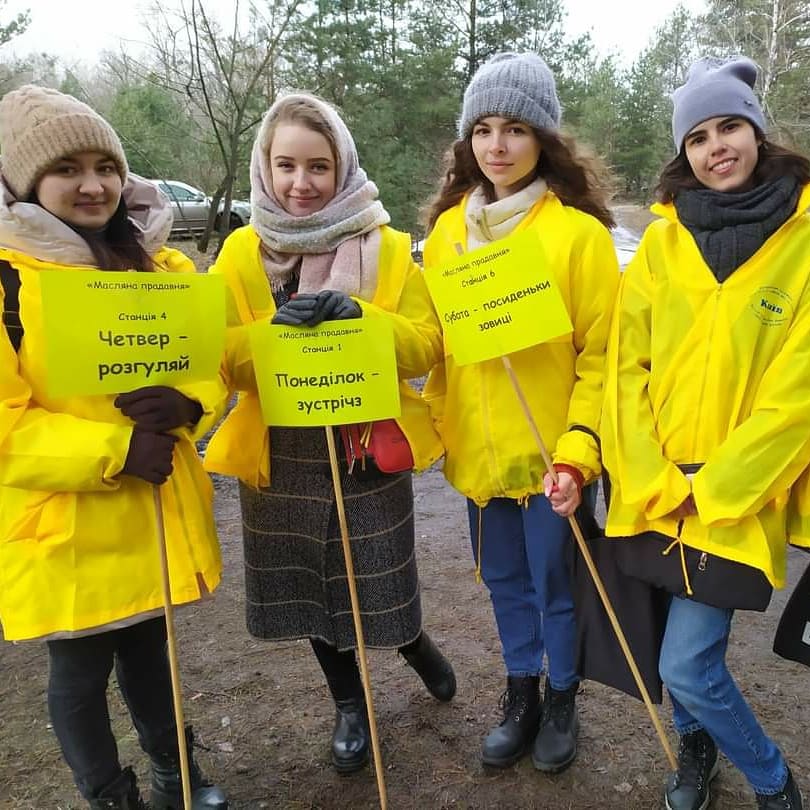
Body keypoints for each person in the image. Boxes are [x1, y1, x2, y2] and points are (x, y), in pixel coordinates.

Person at [203, 92, 456, 775]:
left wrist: (360, 321)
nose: (300, 182)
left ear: (341, 167)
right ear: (265, 166)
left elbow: (427, 346)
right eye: (286, 165)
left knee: (379, 580)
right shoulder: (239, 251)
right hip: (281, 452)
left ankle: (411, 643)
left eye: (318, 166)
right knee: (312, 590)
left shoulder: (390, 247)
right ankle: (350, 703)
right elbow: (219, 356)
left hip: (365, 444)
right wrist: (268, 339)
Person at [0, 86, 228, 810]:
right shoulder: (9, 281)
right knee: (79, 670)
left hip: (152, 511)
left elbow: (209, 362)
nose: (93, 184)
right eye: (68, 168)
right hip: (65, 522)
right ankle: (110, 797)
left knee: (151, 652)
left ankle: (177, 779)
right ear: (24, 180)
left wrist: (192, 404)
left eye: (105, 165)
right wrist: (115, 450)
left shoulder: (159, 268)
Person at [601, 56, 808, 810]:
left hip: (738, 492)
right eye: (699, 136)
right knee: (663, 643)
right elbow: (627, 369)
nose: (716, 145)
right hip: (657, 484)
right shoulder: (660, 243)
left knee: (688, 664)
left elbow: (799, 394)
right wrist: (652, 475)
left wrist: (715, 488)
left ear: (757, 130)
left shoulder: (805, 239)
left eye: (730, 126)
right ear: (683, 152)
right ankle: (695, 753)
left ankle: (772, 778)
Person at [422, 52, 619, 772]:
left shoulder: (578, 237)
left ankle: (563, 695)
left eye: (514, 129)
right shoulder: (446, 235)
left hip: (553, 458)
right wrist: (442, 426)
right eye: (482, 129)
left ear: (543, 139)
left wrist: (578, 451)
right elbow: (438, 346)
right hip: (479, 454)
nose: (497, 146)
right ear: (467, 140)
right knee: (503, 582)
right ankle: (522, 692)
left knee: (555, 583)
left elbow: (601, 359)